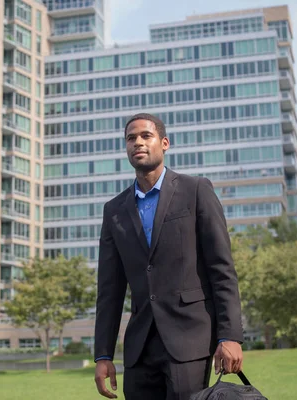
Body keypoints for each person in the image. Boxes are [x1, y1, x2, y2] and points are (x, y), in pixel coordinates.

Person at [93, 113, 244, 400]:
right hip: (139, 348)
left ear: (164, 143)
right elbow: (109, 291)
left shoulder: (195, 190)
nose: (137, 142)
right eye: (130, 138)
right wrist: (103, 354)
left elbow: (221, 269)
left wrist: (230, 336)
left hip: (189, 340)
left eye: (145, 136)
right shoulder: (114, 210)